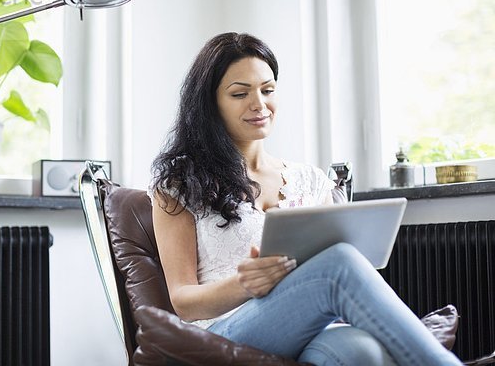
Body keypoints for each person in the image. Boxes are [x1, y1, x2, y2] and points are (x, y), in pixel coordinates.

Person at [148, 32, 462, 365]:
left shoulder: (309, 179)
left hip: (310, 325)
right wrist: (243, 284)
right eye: (240, 93)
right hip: (222, 334)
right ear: (210, 104)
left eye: (267, 90)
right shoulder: (179, 184)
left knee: (362, 351)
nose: (259, 104)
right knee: (337, 264)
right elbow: (183, 300)